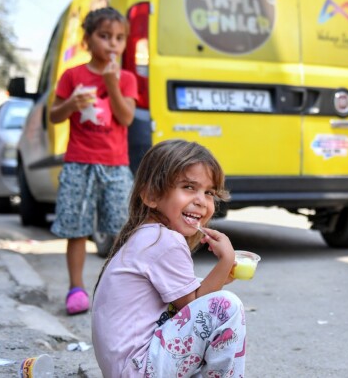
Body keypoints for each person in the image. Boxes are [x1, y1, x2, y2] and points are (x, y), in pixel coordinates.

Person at [92, 140, 246, 378]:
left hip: (130, 368)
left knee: (212, 305)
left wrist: (218, 278)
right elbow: (194, 306)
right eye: (188, 187)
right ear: (152, 195)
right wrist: (226, 260)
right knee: (226, 307)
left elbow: (184, 300)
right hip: (139, 368)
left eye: (209, 192)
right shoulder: (163, 240)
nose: (201, 201)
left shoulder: (148, 234)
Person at [48, 7, 138, 314]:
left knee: (122, 229)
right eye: (104, 36)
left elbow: (126, 118)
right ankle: (76, 288)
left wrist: (112, 84)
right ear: (87, 40)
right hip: (78, 163)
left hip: (115, 165)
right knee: (77, 228)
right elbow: (54, 115)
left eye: (119, 38)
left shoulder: (125, 79)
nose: (112, 44)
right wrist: (72, 102)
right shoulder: (73, 76)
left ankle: (119, 290)